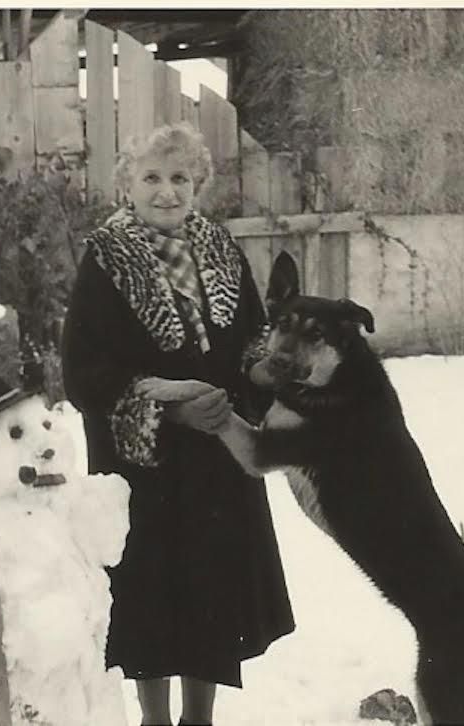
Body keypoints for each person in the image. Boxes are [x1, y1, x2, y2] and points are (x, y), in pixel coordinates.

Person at [61, 122, 295, 726]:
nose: (167, 191)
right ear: (126, 184)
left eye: (180, 178)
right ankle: (155, 718)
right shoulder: (106, 259)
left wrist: (265, 374)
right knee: (150, 589)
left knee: (210, 589)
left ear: (198, 185)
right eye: (152, 177)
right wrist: (161, 408)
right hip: (143, 464)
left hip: (216, 456)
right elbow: (85, 372)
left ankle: (200, 716)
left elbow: (249, 342)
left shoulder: (220, 249)